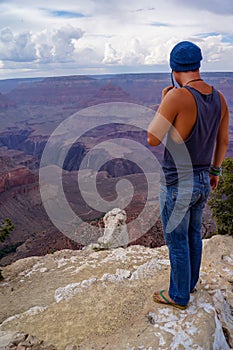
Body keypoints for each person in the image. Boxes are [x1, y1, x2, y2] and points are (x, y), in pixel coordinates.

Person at [147, 41, 229, 309]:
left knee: (177, 239)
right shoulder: (219, 98)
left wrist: (164, 101)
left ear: (174, 68)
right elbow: (223, 141)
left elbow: (153, 138)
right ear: (198, 65)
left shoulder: (177, 96)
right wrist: (215, 171)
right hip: (203, 179)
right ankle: (190, 284)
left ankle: (178, 295)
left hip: (177, 182)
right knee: (194, 233)